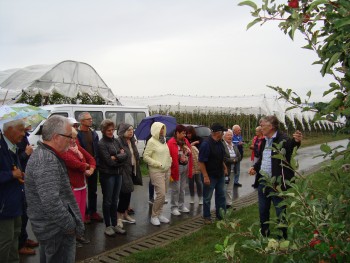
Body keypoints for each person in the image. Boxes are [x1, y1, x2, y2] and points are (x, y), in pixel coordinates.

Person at [25, 115, 84, 263]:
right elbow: (51, 201)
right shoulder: (46, 159)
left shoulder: (46, 155)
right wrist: (70, 225)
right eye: (69, 136)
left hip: (52, 230)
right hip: (56, 231)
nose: (72, 141)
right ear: (56, 137)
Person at [248, 115, 302, 239]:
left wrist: (297, 141)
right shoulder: (264, 140)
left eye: (262, 125)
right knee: (263, 210)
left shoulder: (282, 139)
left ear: (271, 126)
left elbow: (290, 146)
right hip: (263, 181)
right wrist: (255, 167)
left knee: (280, 211)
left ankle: (283, 237)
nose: (261, 128)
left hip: (277, 183)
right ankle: (264, 233)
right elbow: (262, 158)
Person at [59, 127, 96, 247]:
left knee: (80, 212)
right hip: (72, 185)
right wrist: (87, 167)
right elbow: (76, 164)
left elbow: (91, 158)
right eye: (72, 138)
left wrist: (91, 167)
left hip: (82, 184)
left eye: (75, 138)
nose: (74, 140)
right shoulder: (64, 151)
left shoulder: (76, 147)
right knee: (72, 213)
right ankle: (72, 238)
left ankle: (79, 234)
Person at [0, 119, 25, 263]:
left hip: (15, 200)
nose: (23, 134)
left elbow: (14, 168)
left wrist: (20, 174)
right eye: (20, 130)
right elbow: (8, 172)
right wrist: (11, 175)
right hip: (4, 204)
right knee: (5, 240)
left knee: (15, 234)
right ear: (8, 129)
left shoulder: (12, 146)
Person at [98, 119, 127, 236]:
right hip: (107, 175)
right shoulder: (101, 143)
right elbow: (108, 162)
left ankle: (115, 224)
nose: (111, 132)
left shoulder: (116, 141)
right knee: (108, 201)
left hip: (118, 174)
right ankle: (108, 226)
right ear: (103, 131)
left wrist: (116, 157)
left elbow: (125, 155)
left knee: (115, 200)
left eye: (112, 130)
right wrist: (118, 156)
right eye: (108, 130)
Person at [143, 122, 172, 226]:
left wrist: (170, 161)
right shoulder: (151, 141)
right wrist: (157, 164)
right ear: (155, 129)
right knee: (161, 194)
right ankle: (154, 216)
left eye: (163, 129)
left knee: (164, 195)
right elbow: (145, 156)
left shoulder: (163, 140)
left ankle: (160, 214)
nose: (162, 131)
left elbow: (166, 153)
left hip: (166, 170)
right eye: (160, 129)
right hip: (156, 171)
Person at [199, 123, 228, 225]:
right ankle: (207, 216)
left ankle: (221, 216)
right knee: (207, 197)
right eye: (222, 132)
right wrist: (205, 176)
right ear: (217, 133)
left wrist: (224, 167)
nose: (224, 134)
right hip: (209, 175)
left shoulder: (220, 143)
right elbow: (201, 161)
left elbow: (220, 158)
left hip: (219, 174)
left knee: (221, 195)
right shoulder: (206, 144)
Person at [17, 124, 39, 256]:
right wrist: (26, 153)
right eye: (26, 122)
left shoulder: (24, 137)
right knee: (22, 213)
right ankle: (20, 244)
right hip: (20, 178)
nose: (30, 124)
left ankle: (23, 238)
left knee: (25, 211)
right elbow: (17, 161)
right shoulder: (16, 140)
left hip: (26, 176)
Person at [77, 112, 103, 223]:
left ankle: (93, 212)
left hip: (93, 165)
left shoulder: (94, 134)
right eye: (88, 119)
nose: (91, 121)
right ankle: (85, 212)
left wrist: (95, 164)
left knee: (93, 190)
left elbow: (96, 150)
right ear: (82, 121)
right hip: (82, 166)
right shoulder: (77, 135)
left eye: (91, 119)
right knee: (83, 190)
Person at [116, 123, 142, 228]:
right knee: (124, 194)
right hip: (123, 171)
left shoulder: (131, 141)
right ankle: (119, 218)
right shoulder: (118, 142)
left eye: (132, 130)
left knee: (128, 193)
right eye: (128, 130)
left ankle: (125, 215)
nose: (131, 131)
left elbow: (135, 155)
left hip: (131, 169)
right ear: (122, 131)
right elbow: (118, 156)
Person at [167, 125, 193, 216]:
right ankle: (174, 207)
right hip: (176, 168)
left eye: (185, 133)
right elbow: (169, 156)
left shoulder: (185, 141)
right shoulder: (171, 142)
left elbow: (190, 153)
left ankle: (181, 205)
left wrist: (187, 150)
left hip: (185, 167)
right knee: (176, 189)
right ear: (177, 133)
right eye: (182, 133)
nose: (184, 135)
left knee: (182, 188)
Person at [222, 129, 241, 208]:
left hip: (233, 170)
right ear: (224, 137)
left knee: (230, 187)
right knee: (223, 188)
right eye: (228, 135)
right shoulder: (222, 145)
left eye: (231, 135)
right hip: (225, 170)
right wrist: (232, 160)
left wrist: (235, 160)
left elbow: (239, 156)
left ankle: (228, 204)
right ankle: (221, 204)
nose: (230, 137)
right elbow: (223, 157)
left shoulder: (234, 146)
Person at [186, 126, 203, 205]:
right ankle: (192, 197)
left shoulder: (199, 138)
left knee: (198, 181)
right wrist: (193, 144)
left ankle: (200, 197)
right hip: (189, 163)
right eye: (187, 134)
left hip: (197, 162)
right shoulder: (185, 140)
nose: (188, 135)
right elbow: (185, 148)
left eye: (190, 133)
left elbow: (201, 149)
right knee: (190, 182)